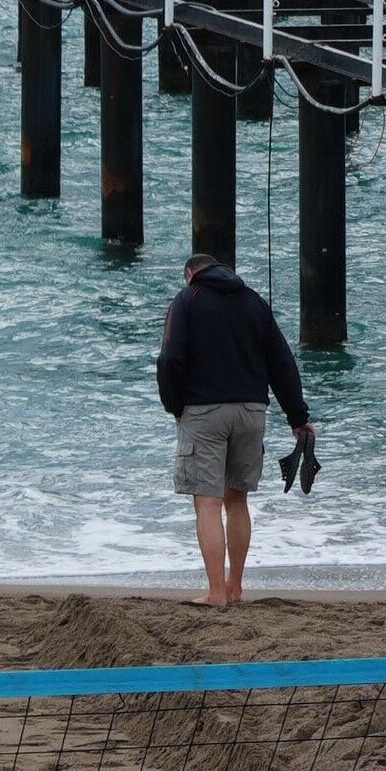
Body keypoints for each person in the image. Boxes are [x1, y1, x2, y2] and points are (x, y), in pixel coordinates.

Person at [156, 252, 314, 610]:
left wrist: (174, 405)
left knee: (208, 503)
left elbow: (170, 359)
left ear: (190, 273)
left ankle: (215, 593)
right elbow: (282, 363)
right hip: (251, 411)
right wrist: (297, 416)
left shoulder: (186, 301)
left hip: (204, 412)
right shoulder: (253, 301)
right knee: (237, 500)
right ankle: (235, 587)